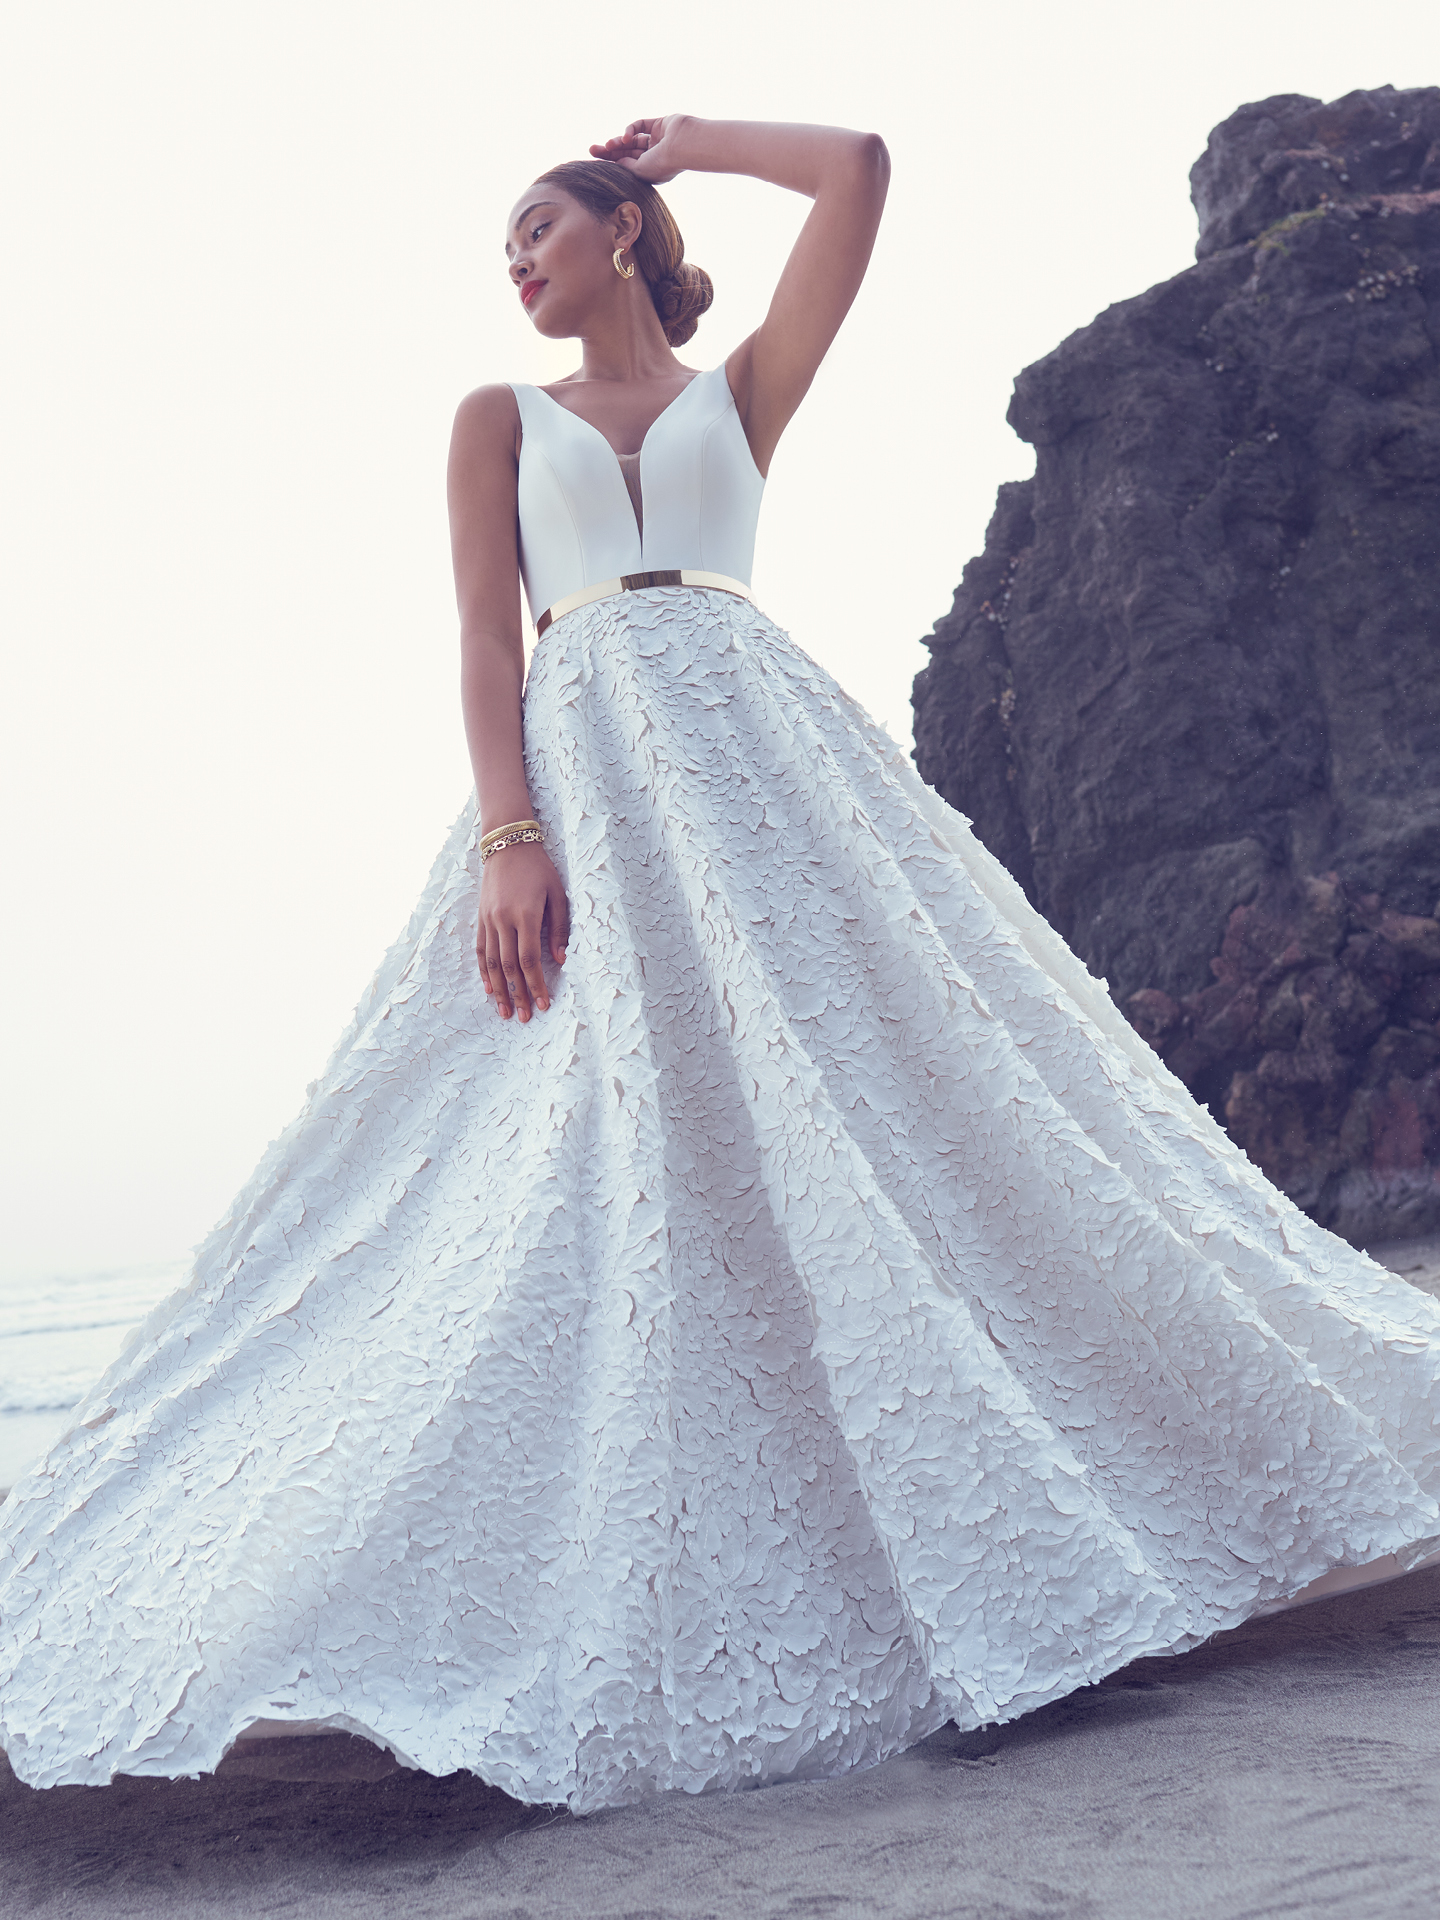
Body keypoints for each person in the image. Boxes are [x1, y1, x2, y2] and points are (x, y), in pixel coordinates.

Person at [1, 115, 1437, 1813]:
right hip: (590, 769)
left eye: (538, 224)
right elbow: (481, 634)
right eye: (501, 247)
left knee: (888, 1107)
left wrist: (693, 138)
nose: (515, 261)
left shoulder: (737, 395)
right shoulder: (495, 419)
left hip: (767, 763)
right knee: (616, 1144)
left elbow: (864, 171)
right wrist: (508, 839)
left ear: (622, 228)